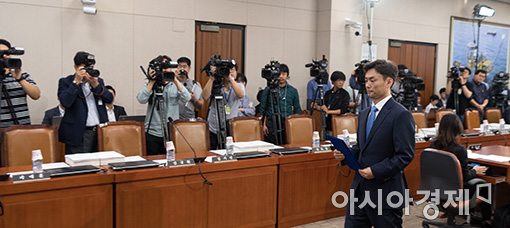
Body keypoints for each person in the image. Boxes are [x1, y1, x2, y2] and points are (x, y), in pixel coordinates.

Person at [336, 59, 415, 228]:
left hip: (385, 193)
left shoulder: (400, 114)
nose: (368, 85)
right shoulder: (364, 114)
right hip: (359, 190)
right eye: (366, 81)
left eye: (373, 80)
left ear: (388, 82)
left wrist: (375, 171)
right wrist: (346, 154)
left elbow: (405, 155)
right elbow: (362, 148)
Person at [429, 114, 491, 226]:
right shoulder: (460, 150)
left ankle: (454, 213)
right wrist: (475, 171)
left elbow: (450, 169)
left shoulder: (433, 146)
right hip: (457, 194)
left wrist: (469, 168)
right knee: (485, 185)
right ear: (458, 128)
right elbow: (465, 176)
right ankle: (487, 221)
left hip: (437, 191)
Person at [58, 51, 113, 154]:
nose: (88, 71)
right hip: (78, 133)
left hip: (99, 132)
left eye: (90, 67)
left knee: (100, 165)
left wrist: (96, 85)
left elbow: (109, 99)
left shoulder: (98, 81)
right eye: (85, 68)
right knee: (80, 166)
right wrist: (76, 82)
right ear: (76, 67)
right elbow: (65, 102)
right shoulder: (66, 82)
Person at [137, 55, 191, 155]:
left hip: (171, 131)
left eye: (168, 67)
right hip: (153, 132)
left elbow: (187, 98)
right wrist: (152, 81)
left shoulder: (175, 84)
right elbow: (141, 99)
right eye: (163, 68)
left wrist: (175, 79)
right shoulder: (151, 83)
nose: (166, 70)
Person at [202, 61, 244, 149]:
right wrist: (211, 78)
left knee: (229, 152)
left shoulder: (239, 85)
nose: (230, 72)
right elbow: (205, 97)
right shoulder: (215, 85)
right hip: (214, 125)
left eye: (233, 70)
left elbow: (240, 95)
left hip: (230, 126)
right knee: (212, 152)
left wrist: (231, 79)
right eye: (228, 70)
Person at [0, 39, 41, 128]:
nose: (4, 57)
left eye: (6, 53)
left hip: (21, 130)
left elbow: (36, 95)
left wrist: (20, 79)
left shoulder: (23, 76)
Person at [259, 64, 301, 145]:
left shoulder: (293, 91)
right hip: (271, 123)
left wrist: (295, 125)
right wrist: (263, 125)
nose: (281, 76)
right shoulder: (268, 89)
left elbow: (297, 109)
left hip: (286, 122)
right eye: (279, 74)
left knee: (286, 145)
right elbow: (263, 108)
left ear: (287, 75)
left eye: (284, 74)